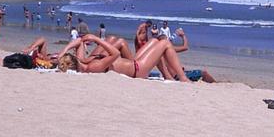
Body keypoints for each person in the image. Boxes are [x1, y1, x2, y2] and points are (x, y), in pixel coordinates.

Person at [58, 34, 190, 81]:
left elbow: (80, 41)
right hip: (138, 69)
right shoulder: (94, 66)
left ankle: (168, 76)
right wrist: (97, 39)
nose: (77, 54)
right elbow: (115, 53)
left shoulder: (83, 62)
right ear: (74, 60)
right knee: (165, 43)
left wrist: (64, 50)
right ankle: (183, 78)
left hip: (135, 64)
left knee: (155, 42)